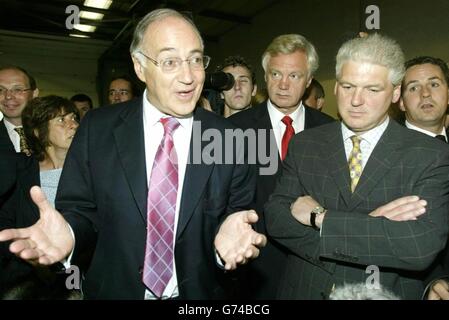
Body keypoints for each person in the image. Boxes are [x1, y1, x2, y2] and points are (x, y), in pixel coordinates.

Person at [0, 8, 266, 300]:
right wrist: (71, 234)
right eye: (170, 61)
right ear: (140, 67)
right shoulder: (97, 128)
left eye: (195, 59)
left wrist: (226, 245)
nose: (189, 76)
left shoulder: (229, 138)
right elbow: (80, 210)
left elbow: (239, 217)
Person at [264, 33, 449, 300]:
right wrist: (372, 229)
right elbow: (277, 218)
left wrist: (321, 218)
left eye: (372, 89)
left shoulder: (430, 154)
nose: (356, 101)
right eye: (348, 86)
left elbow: (418, 246)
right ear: (337, 86)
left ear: (395, 92)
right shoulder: (307, 144)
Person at [230, 34, 334, 299]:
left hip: (313, 268)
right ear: (265, 76)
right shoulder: (234, 130)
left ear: (309, 80)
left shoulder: (330, 130)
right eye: (276, 74)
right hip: (252, 270)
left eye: (294, 76)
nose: (283, 85)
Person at [0, 95, 80, 298]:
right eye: (61, 120)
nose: (73, 125)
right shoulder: (19, 172)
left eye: (73, 118)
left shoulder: (90, 171)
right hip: (26, 277)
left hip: (78, 274)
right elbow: (5, 223)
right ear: (37, 132)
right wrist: (28, 256)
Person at [399, 56, 449, 300]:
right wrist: (433, 281)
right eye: (414, 87)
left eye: (434, 84)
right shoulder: (384, 156)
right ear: (400, 101)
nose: (426, 94)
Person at [0, 66, 39, 153]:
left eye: (17, 89)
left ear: (34, 94)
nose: (8, 96)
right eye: (0, 90)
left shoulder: (54, 134)